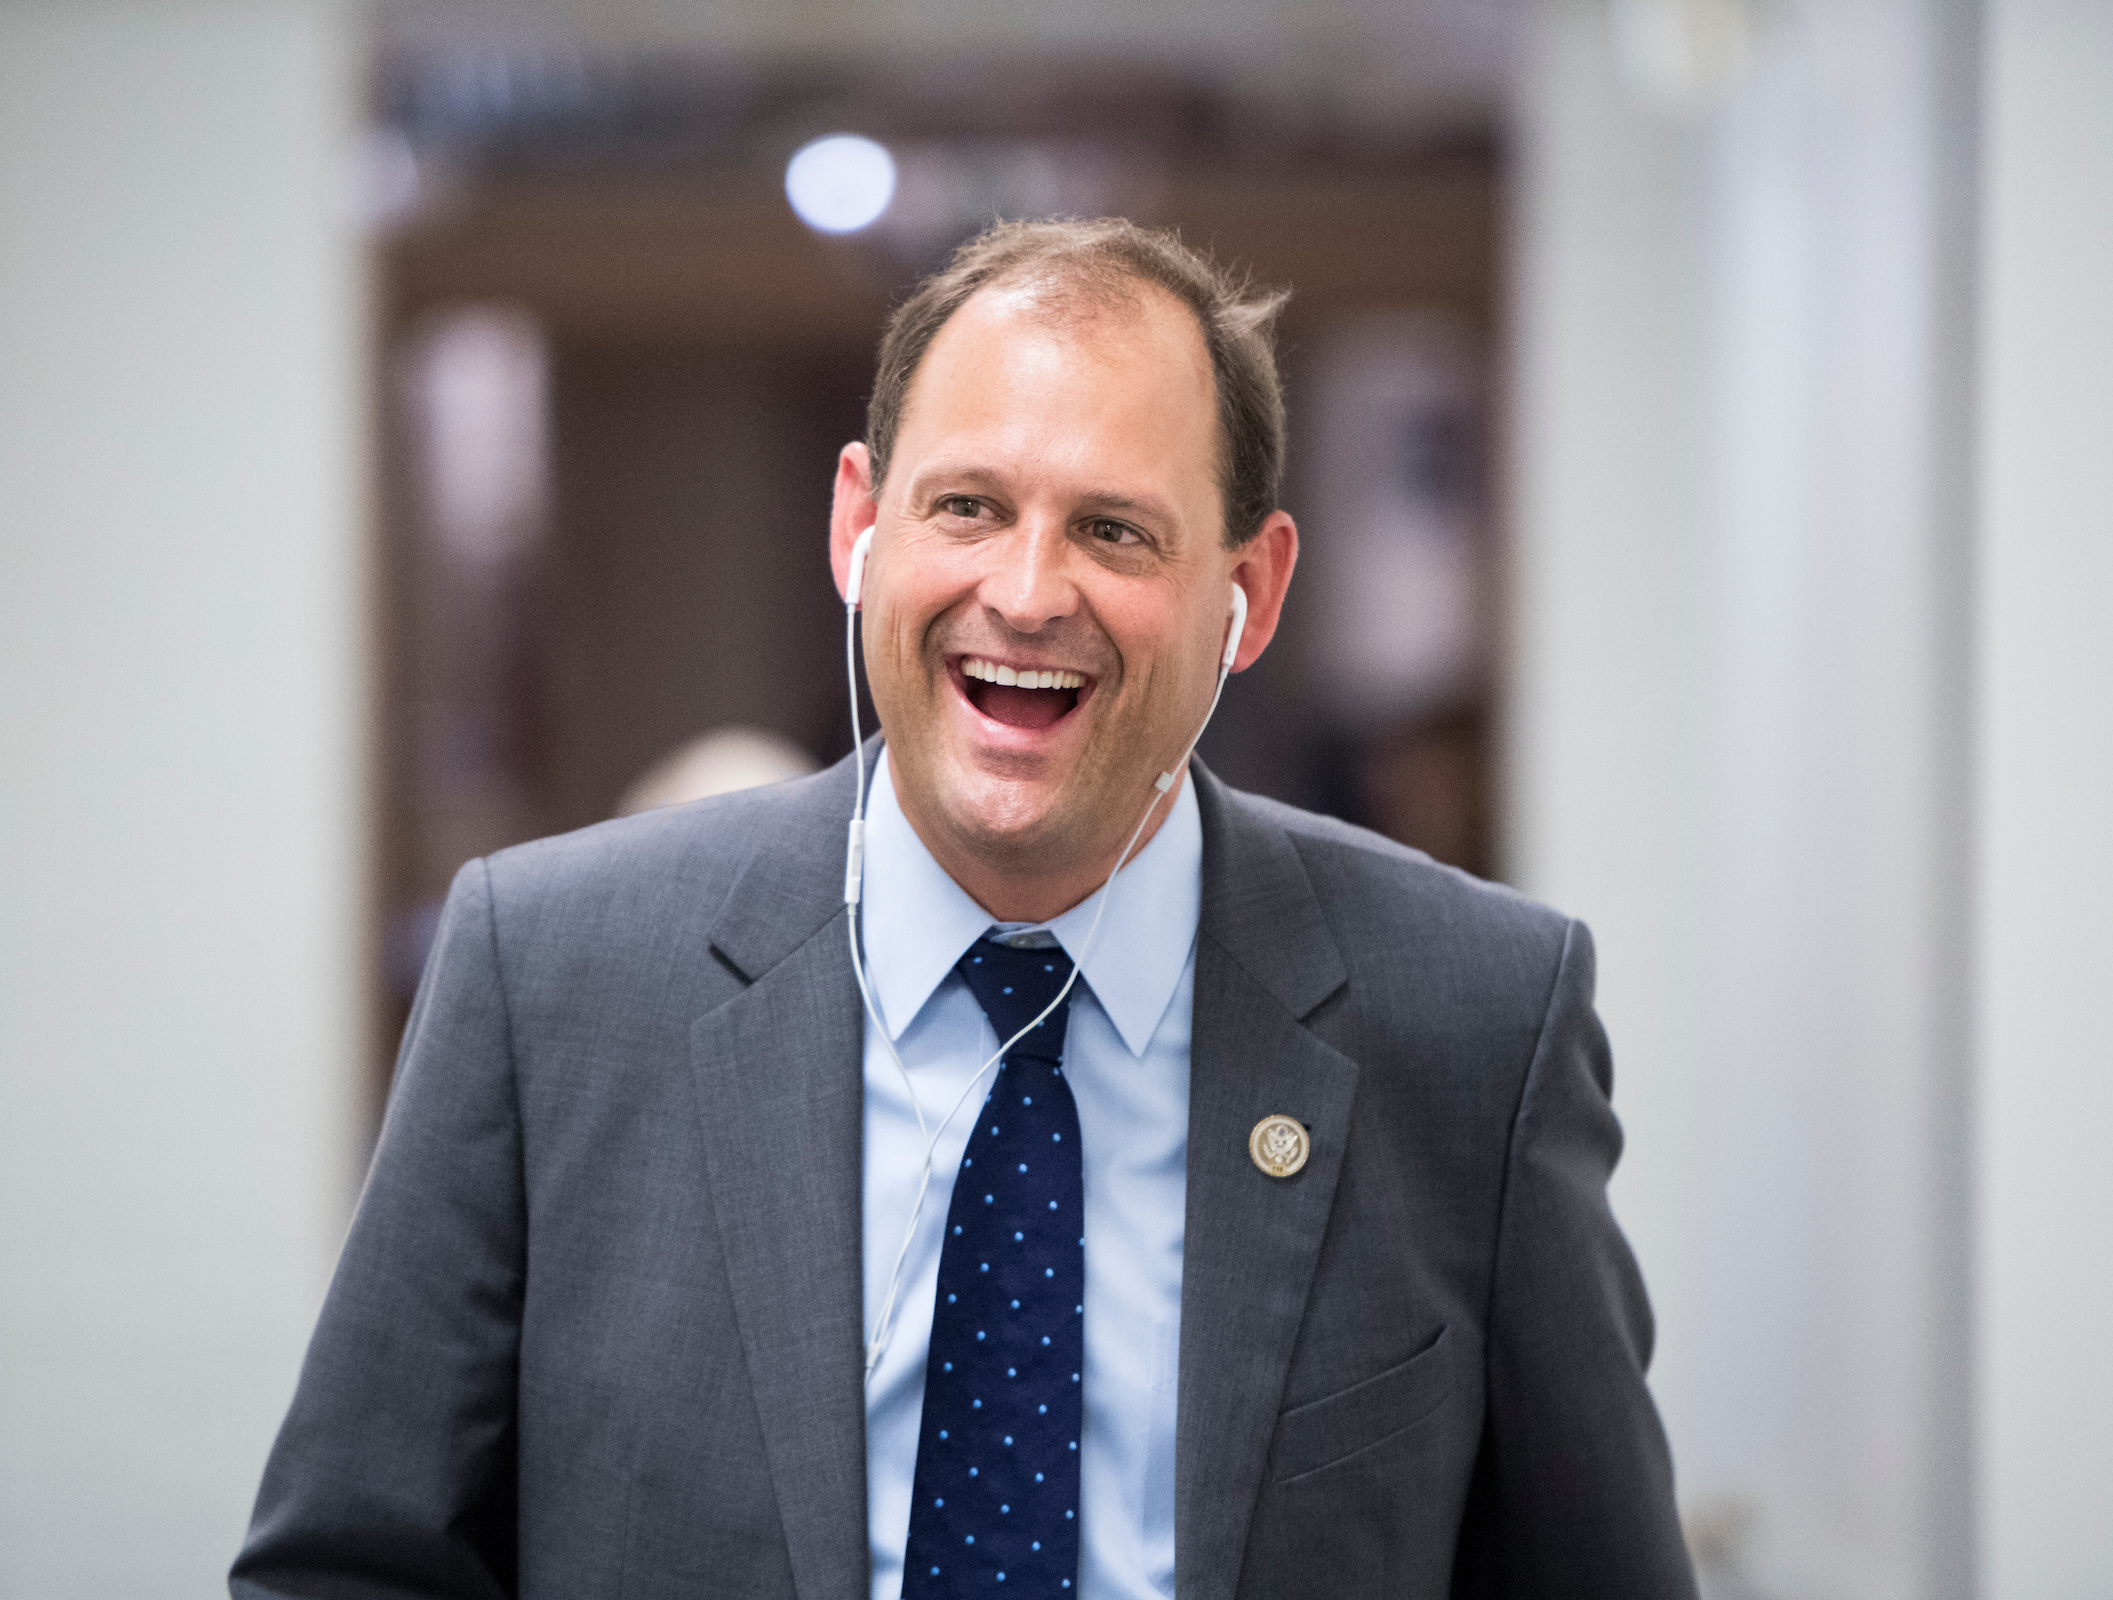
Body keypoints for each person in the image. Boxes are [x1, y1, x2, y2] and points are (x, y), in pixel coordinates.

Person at [231, 219, 1696, 1600]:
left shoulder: (1474, 1025)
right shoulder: (548, 980)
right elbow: (349, 1567)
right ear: (860, 525)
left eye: (1116, 532)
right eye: (969, 507)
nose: (1028, 588)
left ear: (1249, 588)